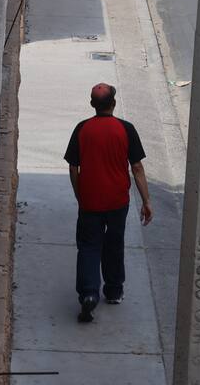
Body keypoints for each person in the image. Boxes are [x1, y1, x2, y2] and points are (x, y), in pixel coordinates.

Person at [64, 83, 153, 323]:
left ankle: (88, 294)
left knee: (88, 246)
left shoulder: (82, 128)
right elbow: (137, 167)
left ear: (92, 105)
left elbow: (73, 167)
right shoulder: (126, 129)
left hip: (90, 201)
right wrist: (146, 201)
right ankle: (113, 291)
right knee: (114, 244)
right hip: (117, 201)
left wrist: (79, 194)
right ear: (113, 103)